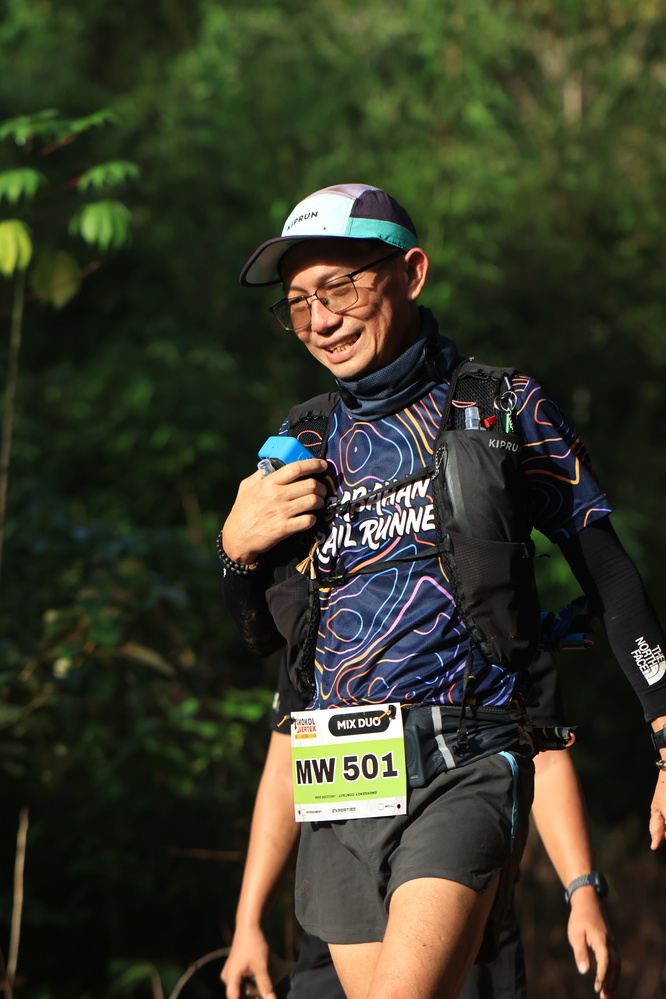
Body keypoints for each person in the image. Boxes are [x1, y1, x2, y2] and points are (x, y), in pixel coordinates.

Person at [220, 183, 666, 999]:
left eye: (340, 287)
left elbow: (607, 570)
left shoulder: (500, 406)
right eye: (298, 303)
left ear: (412, 272)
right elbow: (264, 641)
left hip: (464, 762)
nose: (321, 319)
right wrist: (235, 554)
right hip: (336, 784)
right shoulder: (303, 438)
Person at [221, 649, 620, 999]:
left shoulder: (495, 604)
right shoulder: (317, 612)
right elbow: (284, 768)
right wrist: (248, 924)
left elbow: (545, 759)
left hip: (460, 897)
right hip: (342, 915)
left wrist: (582, 889)